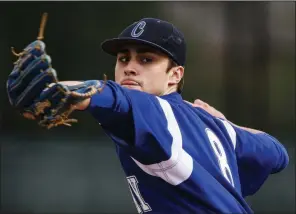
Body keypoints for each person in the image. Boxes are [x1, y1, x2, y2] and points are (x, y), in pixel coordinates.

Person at [7, 17, 289, 214]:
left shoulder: (155, 112)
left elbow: (115, 98)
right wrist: (227, 124)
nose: (130, 67)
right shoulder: (211, 123)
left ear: (175, 75)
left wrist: (58, 89)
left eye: (146, 59)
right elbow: (277, 154)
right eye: (123, 58)